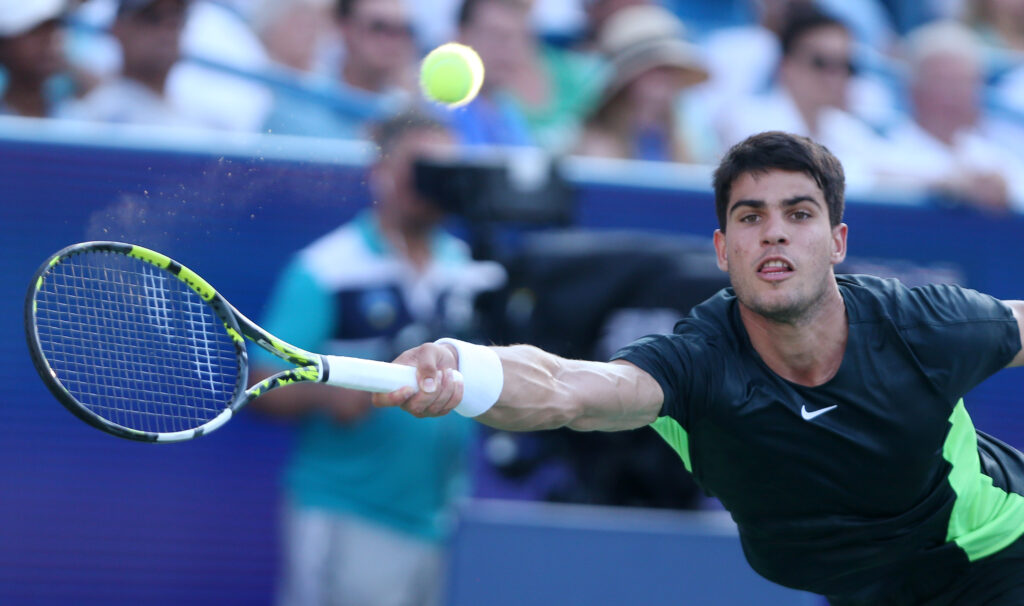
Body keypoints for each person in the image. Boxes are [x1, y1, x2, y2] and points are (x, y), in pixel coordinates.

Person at [374, 130, 1024, 605]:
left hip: (1001, 554)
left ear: (837, 243)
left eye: (799, 214)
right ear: (722, 249)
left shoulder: (919, 327)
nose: (774, 233)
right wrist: (467, 366)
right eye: (751, 217)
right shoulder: (698, 365)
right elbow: (565, 389)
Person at [249, 111, 504, 606]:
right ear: (380, 172)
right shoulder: (326, 268)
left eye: (445, 170)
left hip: (444, 518)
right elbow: (262, 380)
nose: (432, 182)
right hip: (348, 509)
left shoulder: (473, 270)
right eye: (419, 166)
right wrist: (332, 395)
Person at [714, 4, 888, 191]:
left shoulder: (842, 125)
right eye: (820, 62)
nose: (836, 75)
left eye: (846, 65)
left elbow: (887, 162)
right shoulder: (745, 117)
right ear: (786, 66)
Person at [875, 20, 1024, 213]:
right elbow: (868, 179)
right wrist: (946, 188)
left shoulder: (996, 157)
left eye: (963, 82)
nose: (954, 94)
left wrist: (1004, 193)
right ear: (913, 88)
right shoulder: (884, 146)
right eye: (942, 81)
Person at [575, 4, 712, 164]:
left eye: (671, 68)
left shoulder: (692, 139)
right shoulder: (594, 145)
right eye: (654, 68)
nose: (665, 76)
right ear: (628, 77)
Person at [261, 0, 415, 140]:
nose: (393, 41)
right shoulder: (296, 108)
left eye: (403, 30)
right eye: (378, 27)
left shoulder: (409, 115)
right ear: (345, 29)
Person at [61, 0, 216, 127]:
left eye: (178, 16)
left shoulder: (206, 116)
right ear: (118, 29)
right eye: (153, 17)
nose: (168, 27)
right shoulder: (94, 118)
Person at [0, 0, 69, 118]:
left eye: (53, 28)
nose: (50, 40)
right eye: (35, 31)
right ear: (4, 44)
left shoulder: (77, 114)